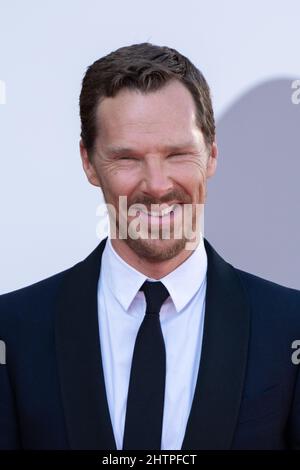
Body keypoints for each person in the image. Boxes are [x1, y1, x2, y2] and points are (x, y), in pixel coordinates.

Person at [0, 43, 299, 450]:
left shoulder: (290, 327)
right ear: (88, 162)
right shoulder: (12, 332)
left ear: (211, 156)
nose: (157, 186)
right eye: (127, 158)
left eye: (178, 154)